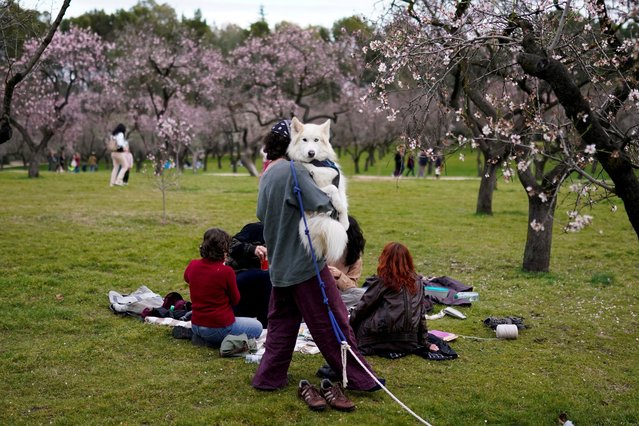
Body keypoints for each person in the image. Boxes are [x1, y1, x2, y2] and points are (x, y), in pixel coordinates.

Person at [252, 119, 381, 393]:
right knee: (333, 322)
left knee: (281, 327)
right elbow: (322, 202)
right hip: (305, 265)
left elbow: (262, 214)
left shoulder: (268, 174)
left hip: (279, 265)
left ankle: (268, 378)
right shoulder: (294, 171)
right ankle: (362, 380)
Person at [349, 242, 439, 356]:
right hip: (410, 342)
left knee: (363, 314)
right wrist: (425, 342)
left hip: (378, 340)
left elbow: (363, 308)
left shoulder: (383, 281)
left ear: (385, 259)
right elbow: (421, 315)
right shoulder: (418, 282)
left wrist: (347, 326)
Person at [184, 227, 263, 347]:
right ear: (224, 249)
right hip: (217, 327)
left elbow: (187, 278)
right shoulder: (226, 271)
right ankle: (216, 340)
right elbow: (235, 299)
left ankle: (204, 338)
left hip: (196, 324)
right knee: (257, 327)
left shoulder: (193, 265)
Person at [227, 222, 272, 327]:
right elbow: (230, 245)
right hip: (241, 272)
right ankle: (265, 326)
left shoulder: (288, 235)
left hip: (265, 277)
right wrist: (253, 249)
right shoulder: (257, 228)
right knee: (266, 277)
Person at [327, 215, 366, 310]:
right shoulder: (324, 246)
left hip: (339, 295)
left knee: (362, 294)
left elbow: (352, 287)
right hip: (319, 290)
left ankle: (328, 306)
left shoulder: (355, 257)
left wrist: (339, 276)